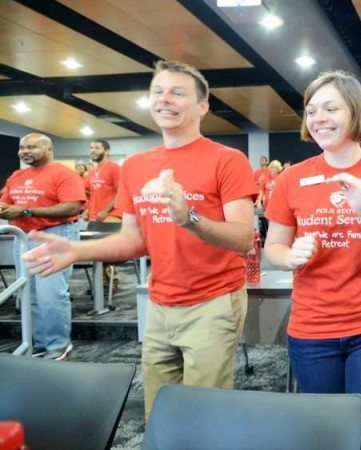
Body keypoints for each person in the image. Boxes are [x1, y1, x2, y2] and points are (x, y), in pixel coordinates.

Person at [22, 60, 257, 418]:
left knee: (206, 412)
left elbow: (243, 238)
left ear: (203, 105)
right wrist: (76, 250)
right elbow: (133, 240)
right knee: (158, 409)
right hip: (159, 303)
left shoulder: (227, 159)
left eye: (178, 92)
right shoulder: (135, 165)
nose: (165, 99)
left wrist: (189, 218)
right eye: (157, 91)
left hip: (213, 302)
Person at [264, 70, 361, 450]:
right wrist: (290, 256)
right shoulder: (292, 179)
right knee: (324, 436)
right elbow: (273, 249)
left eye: (331, 108)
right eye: (312, 111)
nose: (319, 119)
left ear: (355, 113)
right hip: (311, 330)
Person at [0, 133, 86, 360]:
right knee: (30, 294)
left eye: (31, 147)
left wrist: (26, 211)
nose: (24, 151)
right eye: (22, 147)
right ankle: (41, 342)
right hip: (23, 237)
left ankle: (58, 345)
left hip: (53, 235)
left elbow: (72, 208)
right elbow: (6, 202)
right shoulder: (17, 176)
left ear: (48, 149)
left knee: (51, 294)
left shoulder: (64, 174)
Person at [85, 140, 122, 223]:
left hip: (111, 215)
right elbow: (92, 194)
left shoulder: (115, 168)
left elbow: (121, 193)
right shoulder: (92, 171)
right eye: (91, 148)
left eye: (97, 148)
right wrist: (88, 210)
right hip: (94, 215)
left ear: (107, 151)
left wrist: (105, 211)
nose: (93, 150)